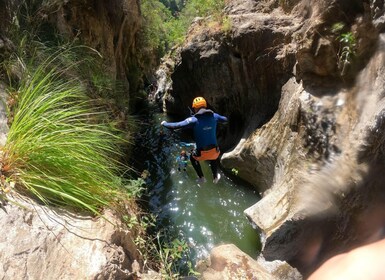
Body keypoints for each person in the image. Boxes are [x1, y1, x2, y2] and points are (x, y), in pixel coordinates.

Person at [161, 97, 228, 184]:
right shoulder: (214, 116)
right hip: (215, 152)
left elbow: (176, 125)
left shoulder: (193, 120)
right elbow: (225, 120)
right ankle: (215, 177)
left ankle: (201, 178)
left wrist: (164, 123)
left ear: (195, 108)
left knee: (192, 158)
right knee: (213, 157)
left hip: (201, 154)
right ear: (205, 106)